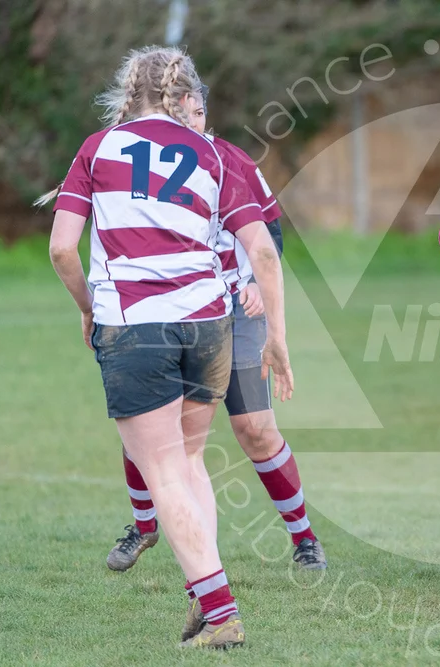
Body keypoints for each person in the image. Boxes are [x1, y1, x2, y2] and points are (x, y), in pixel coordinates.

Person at [45, 45, 293, 648]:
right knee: (188, 462)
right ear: (184, 96)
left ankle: (221, 612)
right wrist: (278, 337)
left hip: (136, 324)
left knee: (162, 470)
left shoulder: (98, 147)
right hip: (209, 323)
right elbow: (262, 250)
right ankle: (204, 601)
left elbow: (61, 249)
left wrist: (87, 307)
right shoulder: (214, 152)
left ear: (131, 91)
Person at [106, 84, 326, 578]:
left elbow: (268, 232)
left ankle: (305, 538)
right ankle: (144, 525)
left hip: (234, 310)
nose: (192, 121)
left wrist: (255, 282)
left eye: (199, 111)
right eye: (180, 113)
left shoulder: (228, 158)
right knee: (148, 425)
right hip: (170, 312)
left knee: (256, 429)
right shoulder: (132, 160)